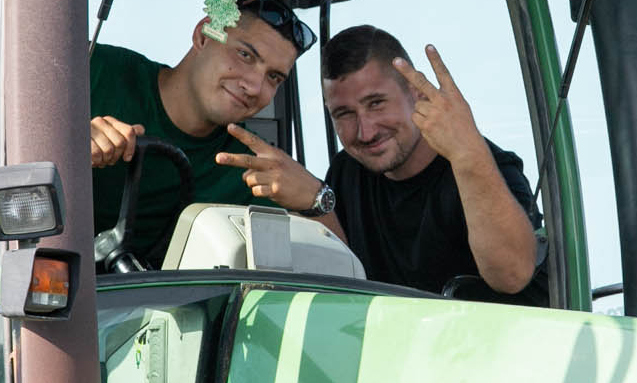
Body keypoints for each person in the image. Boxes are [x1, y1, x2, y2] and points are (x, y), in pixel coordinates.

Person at [218, 24, 546, 302]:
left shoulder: (486, 166)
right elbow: (346, 287)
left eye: (376, 103)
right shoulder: (348, 171)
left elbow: (512, 276)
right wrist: (315, 202)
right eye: (344, 114)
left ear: (417, 94)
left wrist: (468, 155)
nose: (365, 131)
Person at [89, 0, 311, 265]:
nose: (254, 86)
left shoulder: (247, 163)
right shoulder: (88, 69)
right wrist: (60, 142)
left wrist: (315, 198)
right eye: (244, 54)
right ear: (204, 36)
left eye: (274, 77)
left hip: (160, 306)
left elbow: (339, 276)